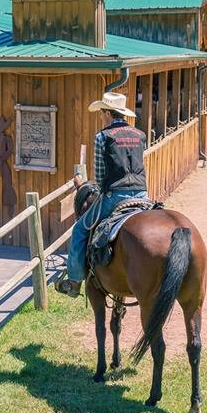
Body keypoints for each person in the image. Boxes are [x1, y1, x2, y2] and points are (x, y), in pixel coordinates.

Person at [56, 92, 148, 297]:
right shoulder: (140, 135)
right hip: (142, 195)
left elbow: (99, 177)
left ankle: (74, 281)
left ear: (107, 112)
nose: (100, 116)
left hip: (115, 196)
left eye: (101, 113)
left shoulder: (102, 137)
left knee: (80, 229)